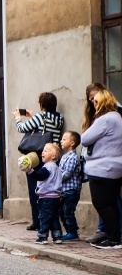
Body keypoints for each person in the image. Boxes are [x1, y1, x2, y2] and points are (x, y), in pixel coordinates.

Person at [13, 92, 63, 231]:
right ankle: (51, 221)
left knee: (35, 189)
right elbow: (45, 127)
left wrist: (18, 117)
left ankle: (38, 221)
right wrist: (33, 116)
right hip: (53, 156)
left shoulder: (40, 117)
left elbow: (21, 128)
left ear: (42, 105)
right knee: (50, 190)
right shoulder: (59, 118)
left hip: (38, 156)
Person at [81, 89, 122, 249]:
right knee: (111, 203)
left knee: (102, 203)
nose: (94, 104)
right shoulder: (117, 117)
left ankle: (114, 239)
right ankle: (115, 237)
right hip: (115, 167)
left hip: (102, 168)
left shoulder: (105, 119)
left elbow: (85, 139)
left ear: (103, 102)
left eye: (96, 101)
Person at [25, 142, 63, 244]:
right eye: (43, 151)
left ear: (53, 156)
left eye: (45, 151)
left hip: (46, 197)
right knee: (54, 217)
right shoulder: (56, 168)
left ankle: (42, 236)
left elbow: (40, 176)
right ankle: (57, 236)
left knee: (44, 217)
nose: (42, 152)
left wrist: (30, 171)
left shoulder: (47, 167)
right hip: (56, 197)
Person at [58, 131, 82, 241]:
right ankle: (69, 231)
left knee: (68, 211)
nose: (61, 141)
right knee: (62, 212)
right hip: (64, 190)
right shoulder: (64, 156)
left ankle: (73, 232)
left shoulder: (72, 157)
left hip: (71, 190)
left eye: (64, 139)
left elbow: (67, 173)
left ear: (72, 143)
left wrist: (56, 179)